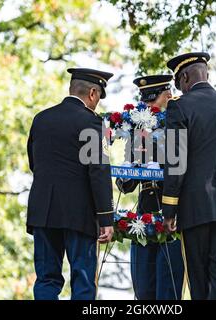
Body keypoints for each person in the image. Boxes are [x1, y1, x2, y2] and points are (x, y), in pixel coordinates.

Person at [161, 52, 216, 300]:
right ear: (206, 75)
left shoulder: (178, 106)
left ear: (186, 77)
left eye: (178, 83)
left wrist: (169, 210)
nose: (179, 88)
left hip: (196, 204)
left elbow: (175, 161)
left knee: (199, 274)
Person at [27, 68, 115, 300]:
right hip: (80, 214)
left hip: (43, 212)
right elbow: (98, 171)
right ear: (93, 93)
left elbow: (34, 163)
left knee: (46, 279)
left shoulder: (41, 119)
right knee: (83, 280)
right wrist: (106, 218)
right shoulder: (92, 123)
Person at [116, 75, 185, 300]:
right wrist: (126, 175)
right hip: (143, 218)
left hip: (171, 217)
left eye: (152, 103)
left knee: (168, 291)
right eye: (145, 104)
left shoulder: (178, 128)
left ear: (168, 96)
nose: (147, 108)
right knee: (143, 291)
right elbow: (126, 184)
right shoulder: (138, 134)